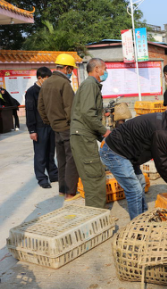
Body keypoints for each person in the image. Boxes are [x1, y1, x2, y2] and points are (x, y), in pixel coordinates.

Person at [100, 99, 167, 220]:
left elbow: (159, 152)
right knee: (134, 190)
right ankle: (137, 227)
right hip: (115, 152)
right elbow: (160, 161)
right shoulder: (163, 129)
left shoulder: (165, 120)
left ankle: (143, 217)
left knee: (141, 183)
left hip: (128, 151)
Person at [71, 58, 111, 209]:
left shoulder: (90, 84)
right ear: (97, 69)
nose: (105, 72)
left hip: (84, 134)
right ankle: (97, 216)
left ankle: (95, 214)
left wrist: (101, 136)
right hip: (83, 136)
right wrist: (105, 132)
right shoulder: (90, 85)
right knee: (94, 176)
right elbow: (88, 114)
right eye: (104, 69)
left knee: (92, 174)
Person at [38, 53, 79, 199]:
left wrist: (49, 121)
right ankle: (70, 192)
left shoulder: (47, 82)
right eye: (71, 70)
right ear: (66, 68)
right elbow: (70, 108)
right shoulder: (64, 84)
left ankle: (62, 190)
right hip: (67, 128)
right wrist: (73, 126)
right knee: (72, 160)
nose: (71, 72)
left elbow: (41, 106)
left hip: (55, 128)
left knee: (61, 160)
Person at [25, 67, 58, 188]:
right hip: (39, 127)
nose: (49, 81)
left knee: (50, 152)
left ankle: (53, 174)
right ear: (40, 78)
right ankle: (42, 178)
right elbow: (30, 112)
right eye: (47, 79)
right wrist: (32, 130)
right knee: (40, 154)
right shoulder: (32, 92)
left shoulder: (49, 90)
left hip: (50, 126)